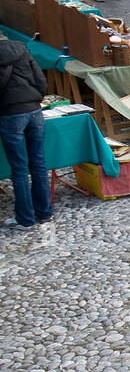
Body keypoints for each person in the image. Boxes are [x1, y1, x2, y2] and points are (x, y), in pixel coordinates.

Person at [0, 40, 53, 230]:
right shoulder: (21, 49)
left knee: (19, 169)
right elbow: (40, 78)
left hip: (11, 114)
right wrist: (37, 99)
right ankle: (45, 213)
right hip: (34, 110)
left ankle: (25, 219)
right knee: (38, 164)